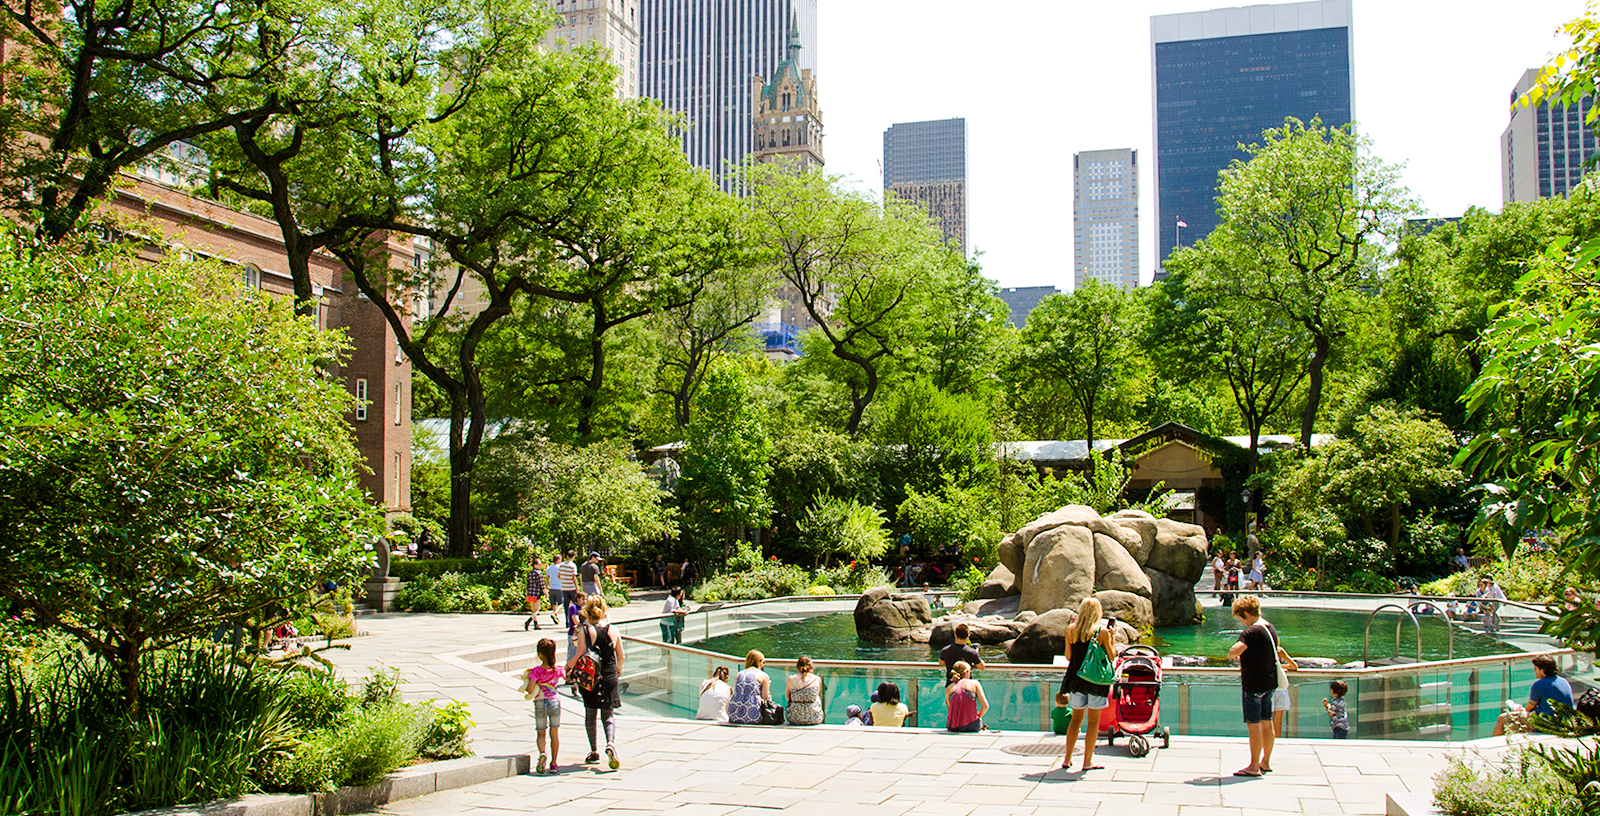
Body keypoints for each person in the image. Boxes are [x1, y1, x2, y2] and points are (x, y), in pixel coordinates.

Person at [1059, 596, 1116, 772]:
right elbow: (1112, 656)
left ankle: (1067, 759)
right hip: (1096, 682)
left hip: (1076, 680)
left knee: (1075, 720)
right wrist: (1112, 638)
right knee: (1093, 722)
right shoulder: (1102, 633)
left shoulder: (1071, 631)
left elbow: (1068, 657)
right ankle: (1087, 762)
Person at [566, 595, 624, 769]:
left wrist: (568, 666)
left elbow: (581, 654)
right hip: (610, 673)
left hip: (591, 676)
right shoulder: (613, 630)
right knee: (608, 714)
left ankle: (594, 752)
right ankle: (611, 744)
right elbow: (620, 656)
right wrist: (618, 670)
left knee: (590, 714)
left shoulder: (585, 630)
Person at [1227, 595, 1279, 777]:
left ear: (1247, 614)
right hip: (1270, 683)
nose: (1242, 623)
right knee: (1267, 722)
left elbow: (1234, 650)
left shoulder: (1250, 632)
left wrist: (1233, 655)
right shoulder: (1269, 628)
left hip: (1253, 685)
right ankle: (1266, 762)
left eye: (1241, 618)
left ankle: (1254, 766)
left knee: (1254, 725)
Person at [1494, 655, 1574, 736]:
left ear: (1543, 671)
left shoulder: (1539, 685)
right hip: (1565, 723)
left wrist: (1521, 709)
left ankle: (1495, 747)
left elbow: (1529, 708)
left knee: (1502, 718)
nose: (1534, 671)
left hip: (1546, 723)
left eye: (1535, 669)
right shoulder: (1564, 681)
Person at [520, 638, 564, 773]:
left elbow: (530, 689)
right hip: (554, 702)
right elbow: (566, 676)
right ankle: (554, 763)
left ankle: (542, 753)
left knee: (541, 733)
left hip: (540, 702)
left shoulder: (535, 671)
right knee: (554, 732)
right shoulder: (558, 669)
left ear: (540, 654)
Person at [1258, 614, 1297, 739]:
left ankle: (1265, 743)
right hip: (1281, 688)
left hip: (1268, 686)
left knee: (1265, 719)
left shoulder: (1264, 649)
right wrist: (1281, 667)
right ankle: (1277, 743)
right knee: (1278, 721)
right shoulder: (1279, 651)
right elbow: (1294, 666)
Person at [726, 650, 772, 725]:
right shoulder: (763, 675)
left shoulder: (739, 674)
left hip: (734, 714)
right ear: (759, 661)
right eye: (763, 662)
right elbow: (765, 697)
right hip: (753, 715)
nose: (763, 665)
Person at [945, 660, 990, 733]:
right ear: (966, 673)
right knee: (980, 722)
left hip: (952, 726)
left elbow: (950, 709)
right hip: (970, 726)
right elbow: (986, 706)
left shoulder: (948, 688)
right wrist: (978, 717)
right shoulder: (975, 683)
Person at [785, 655, 824, 725]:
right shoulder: (816, 679)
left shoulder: (791, 679)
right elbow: (816, 696)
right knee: (817, 698)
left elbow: (788, 697)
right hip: (813, 717)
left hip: (794, 717)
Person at [524, 555, 547, 632]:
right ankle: (528, 621)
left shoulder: (530, 573)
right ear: (535, 565)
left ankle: (536, 623)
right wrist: (545, 591)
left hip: (530, 592)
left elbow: (527, 583)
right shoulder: (539, 573)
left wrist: (526, 591)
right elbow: (541, 584)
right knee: (537, 609)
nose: (540, 566)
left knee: (533, 609)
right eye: (539, 564)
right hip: (536, 592)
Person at [564, 591, 586, 664]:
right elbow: (576, 621)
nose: (584, 601)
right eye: (583, 599)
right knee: (572, 654)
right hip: (573, 633)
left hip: (581, 633)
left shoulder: (583, 607)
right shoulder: (573, 607)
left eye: (585, 599)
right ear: (578, 599)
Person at [545, 555, 564, 627]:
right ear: (558, 559)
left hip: (552, 587)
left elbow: (547, 578)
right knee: (561, 603)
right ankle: (555, 613)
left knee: (553, 603)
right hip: (559, 587)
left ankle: (555, 615)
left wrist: (546, 586)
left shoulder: (549, 568)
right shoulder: (560, 567)